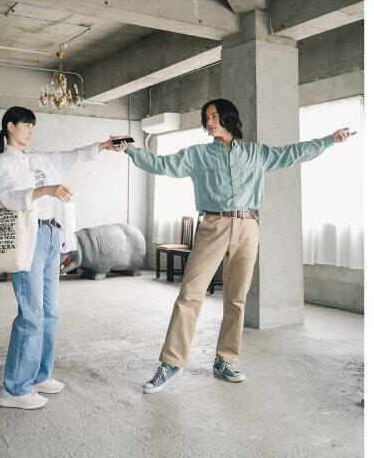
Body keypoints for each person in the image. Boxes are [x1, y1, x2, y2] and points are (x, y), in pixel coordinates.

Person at [119, 98, 356, 393]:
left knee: (236, 298)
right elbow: (162, 165)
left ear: (228, 117)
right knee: (190, 294)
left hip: (248, 226)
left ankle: (225, 360)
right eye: (206, 118)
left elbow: (293, 153)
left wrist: (330, 140)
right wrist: (130, 149)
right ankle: (171, 363)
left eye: (214, 116)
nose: (209, 122)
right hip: (213, 226)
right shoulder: (198, 155)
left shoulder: (256, 153)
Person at [0, 106, 128, 410]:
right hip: (29, 237)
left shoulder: (39, 160)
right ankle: (14, 389)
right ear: (10, 126)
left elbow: (72, 155)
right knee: (31, 313)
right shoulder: (4, 162)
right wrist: (45, 189)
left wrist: (104, 146)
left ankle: (39, 376)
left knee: (50, 313)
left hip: (51, 235)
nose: (31, 130)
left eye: (32, 126)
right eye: (26, 125)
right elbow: (9, 196)